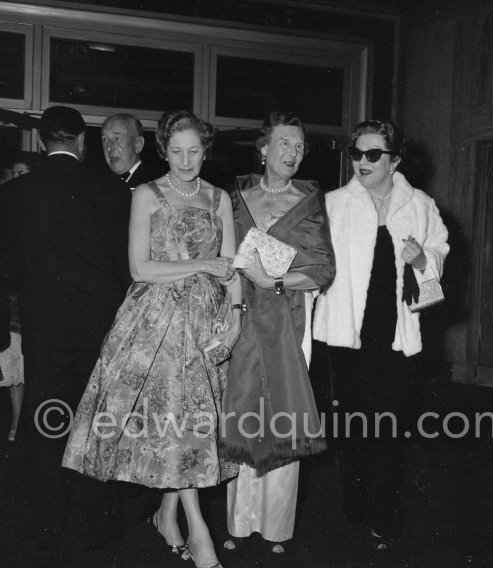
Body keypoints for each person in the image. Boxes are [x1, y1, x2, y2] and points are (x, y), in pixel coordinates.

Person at [63, 110, 242, 568]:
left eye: (194, 151)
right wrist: (203, 266)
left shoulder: (219, 198)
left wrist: (236, 318)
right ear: (163, 150)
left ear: (206, 150)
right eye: (176, 151)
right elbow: (141, 268)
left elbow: (232, 268)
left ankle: (167, 513)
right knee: (176, 423)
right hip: (155, 322)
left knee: (192, 426)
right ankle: (200, 534)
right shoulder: (147, 194)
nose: (185, 161)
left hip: (205, 319)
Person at [0, 106, 131, 564]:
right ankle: (95, 529)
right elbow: (125, 266)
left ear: (40, 142)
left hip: (44, 327)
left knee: (44, 424)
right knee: (97, 424)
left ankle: (44, 530)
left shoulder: (15, 193)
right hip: (99, 327)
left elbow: (8, 268)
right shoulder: (110, 191)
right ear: (82, 141)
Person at [313, 119, 449, 551]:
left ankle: (385, 514)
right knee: (350, 425)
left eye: (374, 154)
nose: (363, 162)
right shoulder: (334, 203)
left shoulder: (420, 204)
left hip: (395, 334)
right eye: (357, 153)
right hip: (344, 332)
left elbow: (440, 253)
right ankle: (357, 504)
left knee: (387, 426)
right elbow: (315, 262)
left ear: (395, 160)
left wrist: (422, 257)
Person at [221, 111, 335, 554]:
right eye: (285, 143)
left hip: (289, 320)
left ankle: (276, 528)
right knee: (244, 407)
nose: (293, 153)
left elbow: (323, 270)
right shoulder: (234, 198)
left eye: (300, 146)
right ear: (264, 148)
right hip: (245, 317)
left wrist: (277, 282)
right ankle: (239, 521)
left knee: (282, 411)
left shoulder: (309, 199)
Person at [0, 152, 40, 442]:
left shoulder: (40, 209)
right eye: (14, 173)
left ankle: (18, 425)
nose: (17, 179)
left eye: (23, 173)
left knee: (22, 368)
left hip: (27, 299)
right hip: (6, 294)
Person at [101, 113, 164, 191]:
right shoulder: (99, 184)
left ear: (138, 144)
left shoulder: (158, 184)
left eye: (116, 138)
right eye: (105, 139)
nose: (109, 147)